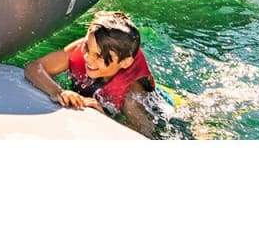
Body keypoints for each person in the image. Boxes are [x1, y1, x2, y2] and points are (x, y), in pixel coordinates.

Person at [23, 10, 164, 138]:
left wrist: (103, 120)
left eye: (99, 56)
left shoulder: (132, 96)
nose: (88, 58)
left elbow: (145, 136)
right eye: (87, 47)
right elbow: (34, 68)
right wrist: (58, 91)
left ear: (125, 62)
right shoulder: (82, 51)